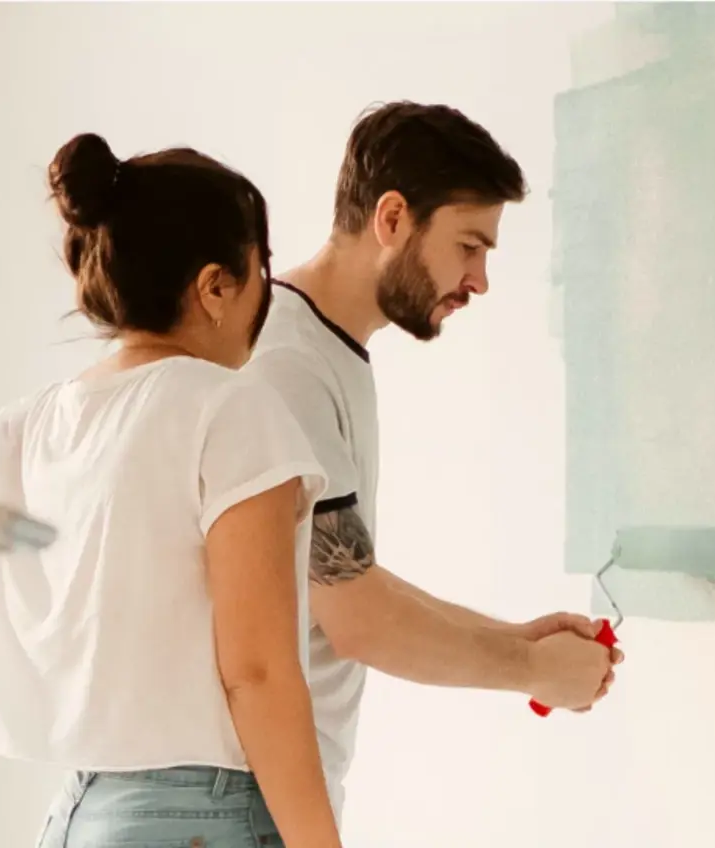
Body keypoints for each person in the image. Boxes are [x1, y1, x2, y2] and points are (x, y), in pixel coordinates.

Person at [0, 134, 343, 848]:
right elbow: (255, 672)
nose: (269, 290)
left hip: (78, 812)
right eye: (261, 268)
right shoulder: (230, 410)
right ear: (215, 286)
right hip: (201, 816)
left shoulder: (33, 424)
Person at [248, 101, 624, 821]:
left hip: (269, 798)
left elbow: (345, 576)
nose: (479, 280)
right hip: (247, 800)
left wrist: (521, 641)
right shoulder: (288, 362)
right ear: (392, 219)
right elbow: (355, 616)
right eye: (469, 246)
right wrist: (531, 669)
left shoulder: (324, 352)